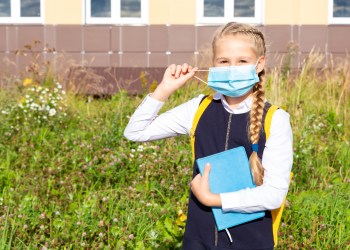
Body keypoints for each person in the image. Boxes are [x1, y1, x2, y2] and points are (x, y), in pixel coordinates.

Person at [124, 22, 293, 249]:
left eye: (242, 61)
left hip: (252, 242)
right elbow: (135, 132)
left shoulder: (276, 119)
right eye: (224, 61)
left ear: (259, 63)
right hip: (198, 241)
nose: (232, 68)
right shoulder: (198, 108)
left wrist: (212, 199)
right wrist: (165, 88)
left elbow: (273, 195)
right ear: (213, 64)